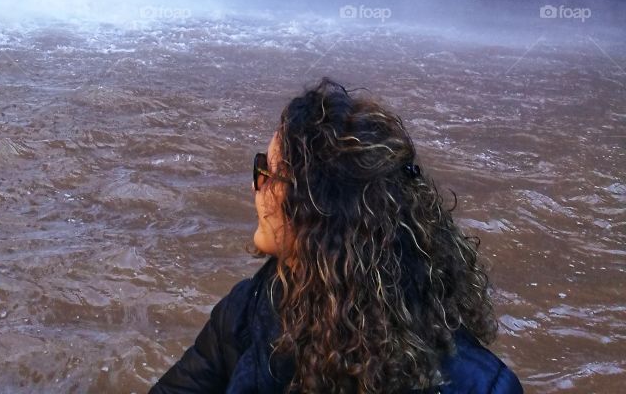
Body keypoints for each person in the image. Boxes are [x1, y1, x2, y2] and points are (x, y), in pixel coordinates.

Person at [148, 78, 523, 394]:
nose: (255, 187)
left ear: (317, 209)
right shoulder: (246, 310)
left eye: (268, 172)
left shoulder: (478, 384)